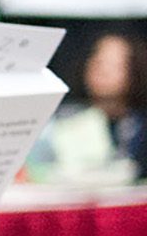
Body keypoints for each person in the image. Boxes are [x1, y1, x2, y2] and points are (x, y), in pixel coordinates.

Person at [28, 32, 147, 182]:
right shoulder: (62, 122)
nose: (103, 70)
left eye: (115, 64)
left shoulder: (139, 129)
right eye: (98, 61)